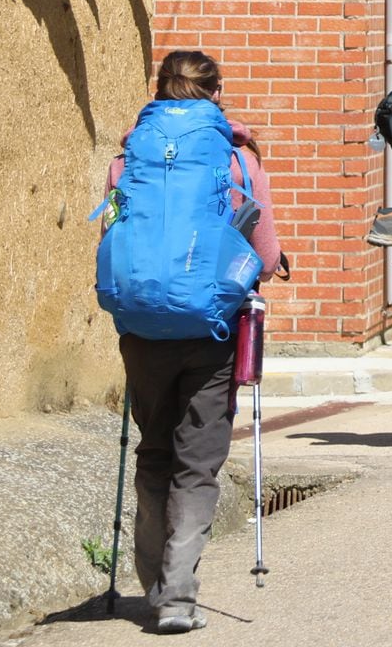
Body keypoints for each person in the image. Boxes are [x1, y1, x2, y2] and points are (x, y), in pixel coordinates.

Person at [106, 50, 281, 634]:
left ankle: (151, 582)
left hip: (141, 329)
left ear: (159, 91)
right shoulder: (234, 158)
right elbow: (268, 251)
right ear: (216, 92)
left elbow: (115, 228)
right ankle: (178, 596)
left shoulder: (129, 156)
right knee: (197, 463)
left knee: (153, 450)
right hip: (211, 329)